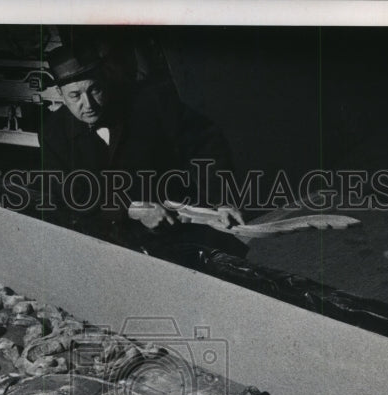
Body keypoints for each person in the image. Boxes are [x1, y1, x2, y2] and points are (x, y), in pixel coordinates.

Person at [37, 41, 247, 256]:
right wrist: (130, 209)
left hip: (182, 229)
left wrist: (222, 199)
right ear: (60, 94)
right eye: (75, 96)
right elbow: (71, 196)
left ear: (105, 80)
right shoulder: (53, 135)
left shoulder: (150, 102)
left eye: (95, 89)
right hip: (114, 244)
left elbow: (205, 144)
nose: (89, 104)